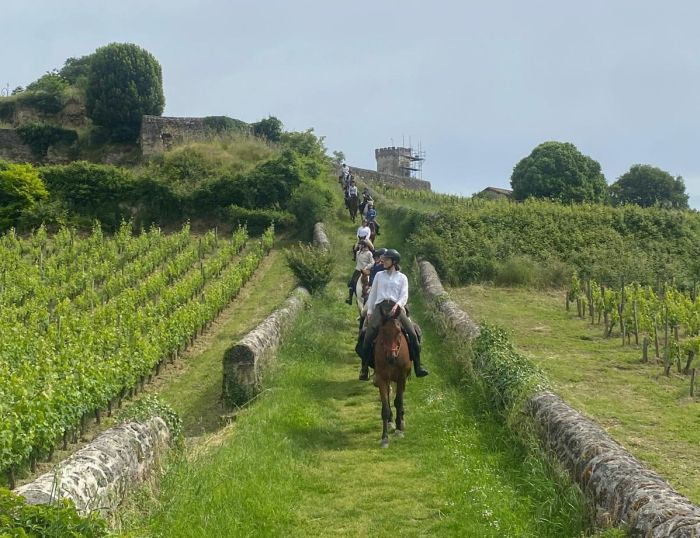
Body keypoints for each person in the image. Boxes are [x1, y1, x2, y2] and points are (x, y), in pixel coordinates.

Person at [359, 249, 429, 380]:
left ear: (394, 261)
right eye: (383, 259)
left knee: (413, 334)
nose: (383, 261)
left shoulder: (402, 278)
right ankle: (364, 369)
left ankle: (418, 366)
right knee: (367, 335)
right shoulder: (379, 275)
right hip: (380, 308)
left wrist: (398, 305)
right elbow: (373, 293)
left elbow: (404, 295)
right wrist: (369, 311)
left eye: (386, 259)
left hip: (397, 308)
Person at [346, 239, 374, 305]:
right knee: (351, 283)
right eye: (359, 244)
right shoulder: (358, 252)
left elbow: (372, 262)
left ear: (364, 246)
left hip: (365, 271)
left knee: (366, 284)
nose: (359, 246)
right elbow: (355, 248)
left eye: (361, 245)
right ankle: (350, 298)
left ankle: (366, 297)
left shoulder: (369, 253)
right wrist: (357, 244)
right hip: (358, 270)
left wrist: (367, 267)